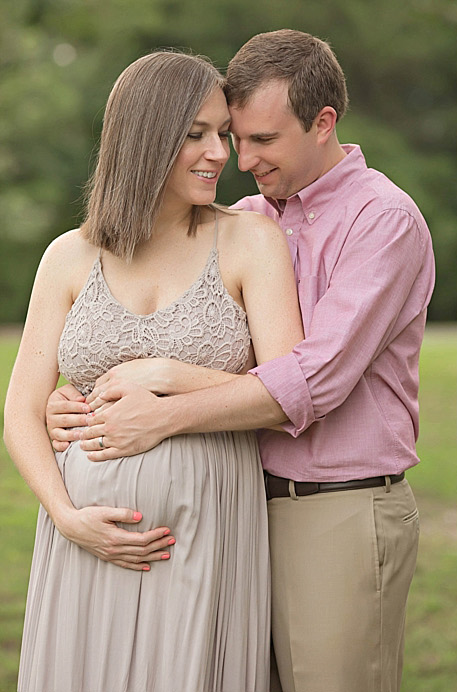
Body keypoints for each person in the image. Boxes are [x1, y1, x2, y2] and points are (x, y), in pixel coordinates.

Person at [44, 29, 435, 692]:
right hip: (241, 515)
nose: (239, 158)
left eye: (262, 139)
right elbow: (205, 338)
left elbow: (315, 377)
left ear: (323, 123)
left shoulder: (382, 220)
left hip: (334, 511)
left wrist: (164, 399)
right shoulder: (249, 219)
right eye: (234, 135)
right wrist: (78, 399)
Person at [3, 50, 303, 691]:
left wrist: (170, 374)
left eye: (222, 132)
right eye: (196, 134)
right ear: (145, 139)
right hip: (84, 542)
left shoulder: (250, 242)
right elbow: (21, 410)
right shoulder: (68, 255)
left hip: (205, 532)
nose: (221, 152)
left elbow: (286, 392)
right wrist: (66, 516)